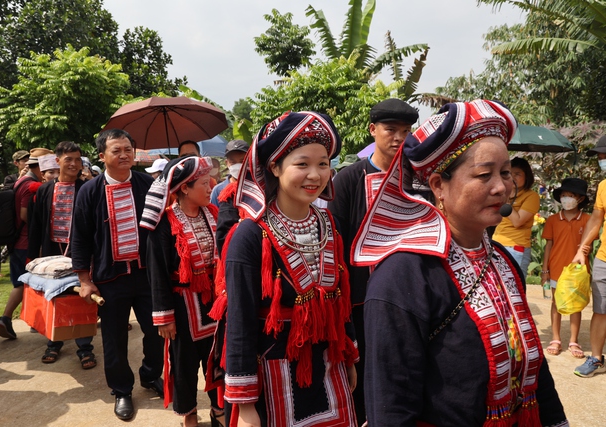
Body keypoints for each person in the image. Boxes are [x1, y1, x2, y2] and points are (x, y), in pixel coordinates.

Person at [353, 100, 568, 426]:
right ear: (439, 185)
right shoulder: (402, 278)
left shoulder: (504, 262)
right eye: (484, 174)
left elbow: (535, 369)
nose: (502, 187)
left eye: (506, 172)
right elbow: (392, 407)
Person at [224, 111, 359, 427]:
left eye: (323, 164)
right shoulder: (250, 235)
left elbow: (342, 302)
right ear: (274, 166)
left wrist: (350, 356)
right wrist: (244, 406)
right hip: (273, 375)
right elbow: (239, 322)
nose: (315, 174)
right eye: (302, 164)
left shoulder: (329, 225)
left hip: (330, 368)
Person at [328, 97, 418, 424]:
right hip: (361, 300)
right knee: (363, 372)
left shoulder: (417, 179)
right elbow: (335, 241)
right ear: (373, 130)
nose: (398, 138)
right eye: (390, 130)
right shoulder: (349, 179)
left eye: (405, 131)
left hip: (409, 297)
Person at [71, 129, 163, 420]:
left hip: (148, 276)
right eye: (116, 150)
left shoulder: (149, 184)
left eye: (128, 149)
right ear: (102, 156)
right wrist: (85, 281)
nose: (124, 155)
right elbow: (81, 238)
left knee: (158, 333)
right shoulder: (89, 191)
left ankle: (150, 375)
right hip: (110, 279)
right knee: (114, 340)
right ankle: (122, 390)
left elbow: (162, 229)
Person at [142, 156, 223, 427]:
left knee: (217, 357)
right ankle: (188, 413)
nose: (211, 185)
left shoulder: (213, 213)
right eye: (204, 182)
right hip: (182, 304)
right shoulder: (164, 224)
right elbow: (156, 271)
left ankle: (218, 408)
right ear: (185, 188)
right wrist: (164, 315)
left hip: (214, 301)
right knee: (184, 363)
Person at [27, 141, 95, 370]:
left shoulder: (88, 188)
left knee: (80, 299)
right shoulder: (45, 189)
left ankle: (85, 347)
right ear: (57, 161)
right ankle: (53, 342)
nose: (74, 164)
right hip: (52, 252)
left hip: (80, 253)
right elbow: (36, 225)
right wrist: (32, 255)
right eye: (69, 159)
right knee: (54, 298)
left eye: (78, 159)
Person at [0, 147, 51, 339]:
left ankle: (15, 319)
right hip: (27, 242)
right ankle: (9, 318)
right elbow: (25, 215)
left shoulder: (22, 181)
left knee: (23, 283)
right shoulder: (30, 185)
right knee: (27, 283)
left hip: (18, 241)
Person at [541, 178, 590, 358]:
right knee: (556, 303)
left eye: (570, 196)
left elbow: (589, 246)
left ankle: (573, 341)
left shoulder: (587, 220)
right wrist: (545, 270)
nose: (566, 199)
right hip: (556, 268)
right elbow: (548, 245)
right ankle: (555, 338)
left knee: (576, 306)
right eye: (563, 195)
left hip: (578, 271)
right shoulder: (553, 219)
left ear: (580, 199)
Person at [570, 135, 606, 378]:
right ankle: (596, 358)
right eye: (601, 157)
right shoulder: (604, 186)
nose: (602, 161)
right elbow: (596, 219)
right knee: (601, 309)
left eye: (605, 156)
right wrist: (582, 250)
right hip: (604, 258)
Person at [493, 157, 540, 276]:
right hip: (496, 243)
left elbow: (517, 221)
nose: (513, 178)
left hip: (516, 248)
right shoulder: (503, 194)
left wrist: (506, 202)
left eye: (518, 174)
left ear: (527, 176)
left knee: (515, 287)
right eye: (509, 173)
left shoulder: (531, 196)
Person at [211, 139, 249, 208]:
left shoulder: (257, 186)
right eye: (233, 162)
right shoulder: (218, 190)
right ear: (227, 163)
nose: (238, 166)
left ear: (249, 161)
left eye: (242, 161)